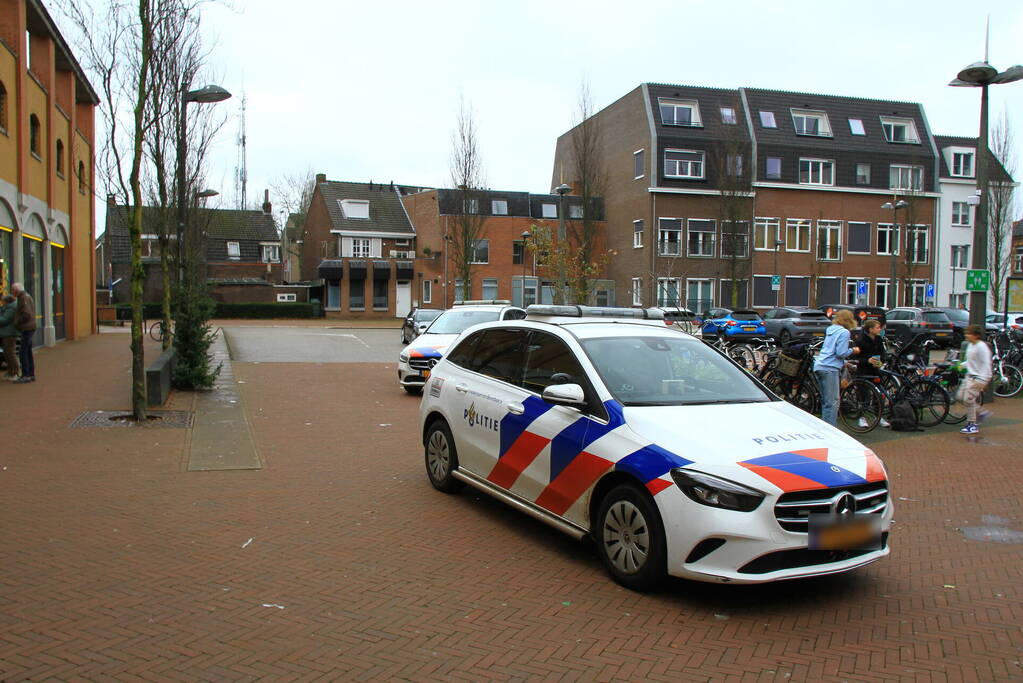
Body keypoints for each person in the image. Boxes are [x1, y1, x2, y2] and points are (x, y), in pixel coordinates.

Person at [813, 309, 859, 426]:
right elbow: (840, 352)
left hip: (820, 365)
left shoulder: (830, 330)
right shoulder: (844, 332)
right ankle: (830, 430)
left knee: (826, 402)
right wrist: (853, 350)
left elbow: (831, 349)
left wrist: (844, 362)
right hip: (830, 368)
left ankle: (824, 426)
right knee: (833, 402)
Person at [850, 319, 890, 428]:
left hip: (876, 370)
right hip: (864, 371)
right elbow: (855, 357)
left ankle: (878, 416)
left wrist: (882, 360)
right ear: (870, 329)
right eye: (877, 327)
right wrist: (867, 360)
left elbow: (882, 353)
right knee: (864, 394)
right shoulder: (861, 340)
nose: (880, 329)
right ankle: (862, 417)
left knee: (879, 394)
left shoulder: (878, 339)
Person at [960, 324, 992, 435]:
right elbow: (970, 361)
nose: (967, 336)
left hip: (977, 378)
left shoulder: (981, 347)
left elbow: (986, 364)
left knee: (968, 400)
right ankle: (981, 413)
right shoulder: (970, 345)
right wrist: (961, 365)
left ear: (976, 336)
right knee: (960, 397)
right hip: (969, 376)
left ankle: (972, 424)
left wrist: (983, 380)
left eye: (969, 334)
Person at [11, 283, 36, 384]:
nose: (12, 292)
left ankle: (26, 374)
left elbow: (27, 314)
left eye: (13, 290)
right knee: (28, 351)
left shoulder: (23, 298)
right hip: (29, 327)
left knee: (23, 352)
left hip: (27, 328)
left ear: (17, 290)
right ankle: (30, 374)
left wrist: (17, 322)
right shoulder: (26, 297)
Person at [0, 294, 20, 381]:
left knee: (10, 353)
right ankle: (10, 371)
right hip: (6, 334)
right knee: (8, 354)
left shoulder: (11, 309)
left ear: (7, 301)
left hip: (9, 334)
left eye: (3, 301)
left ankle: (15, 372)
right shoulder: (8, 308)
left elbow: (4, 320)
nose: (2, 303)